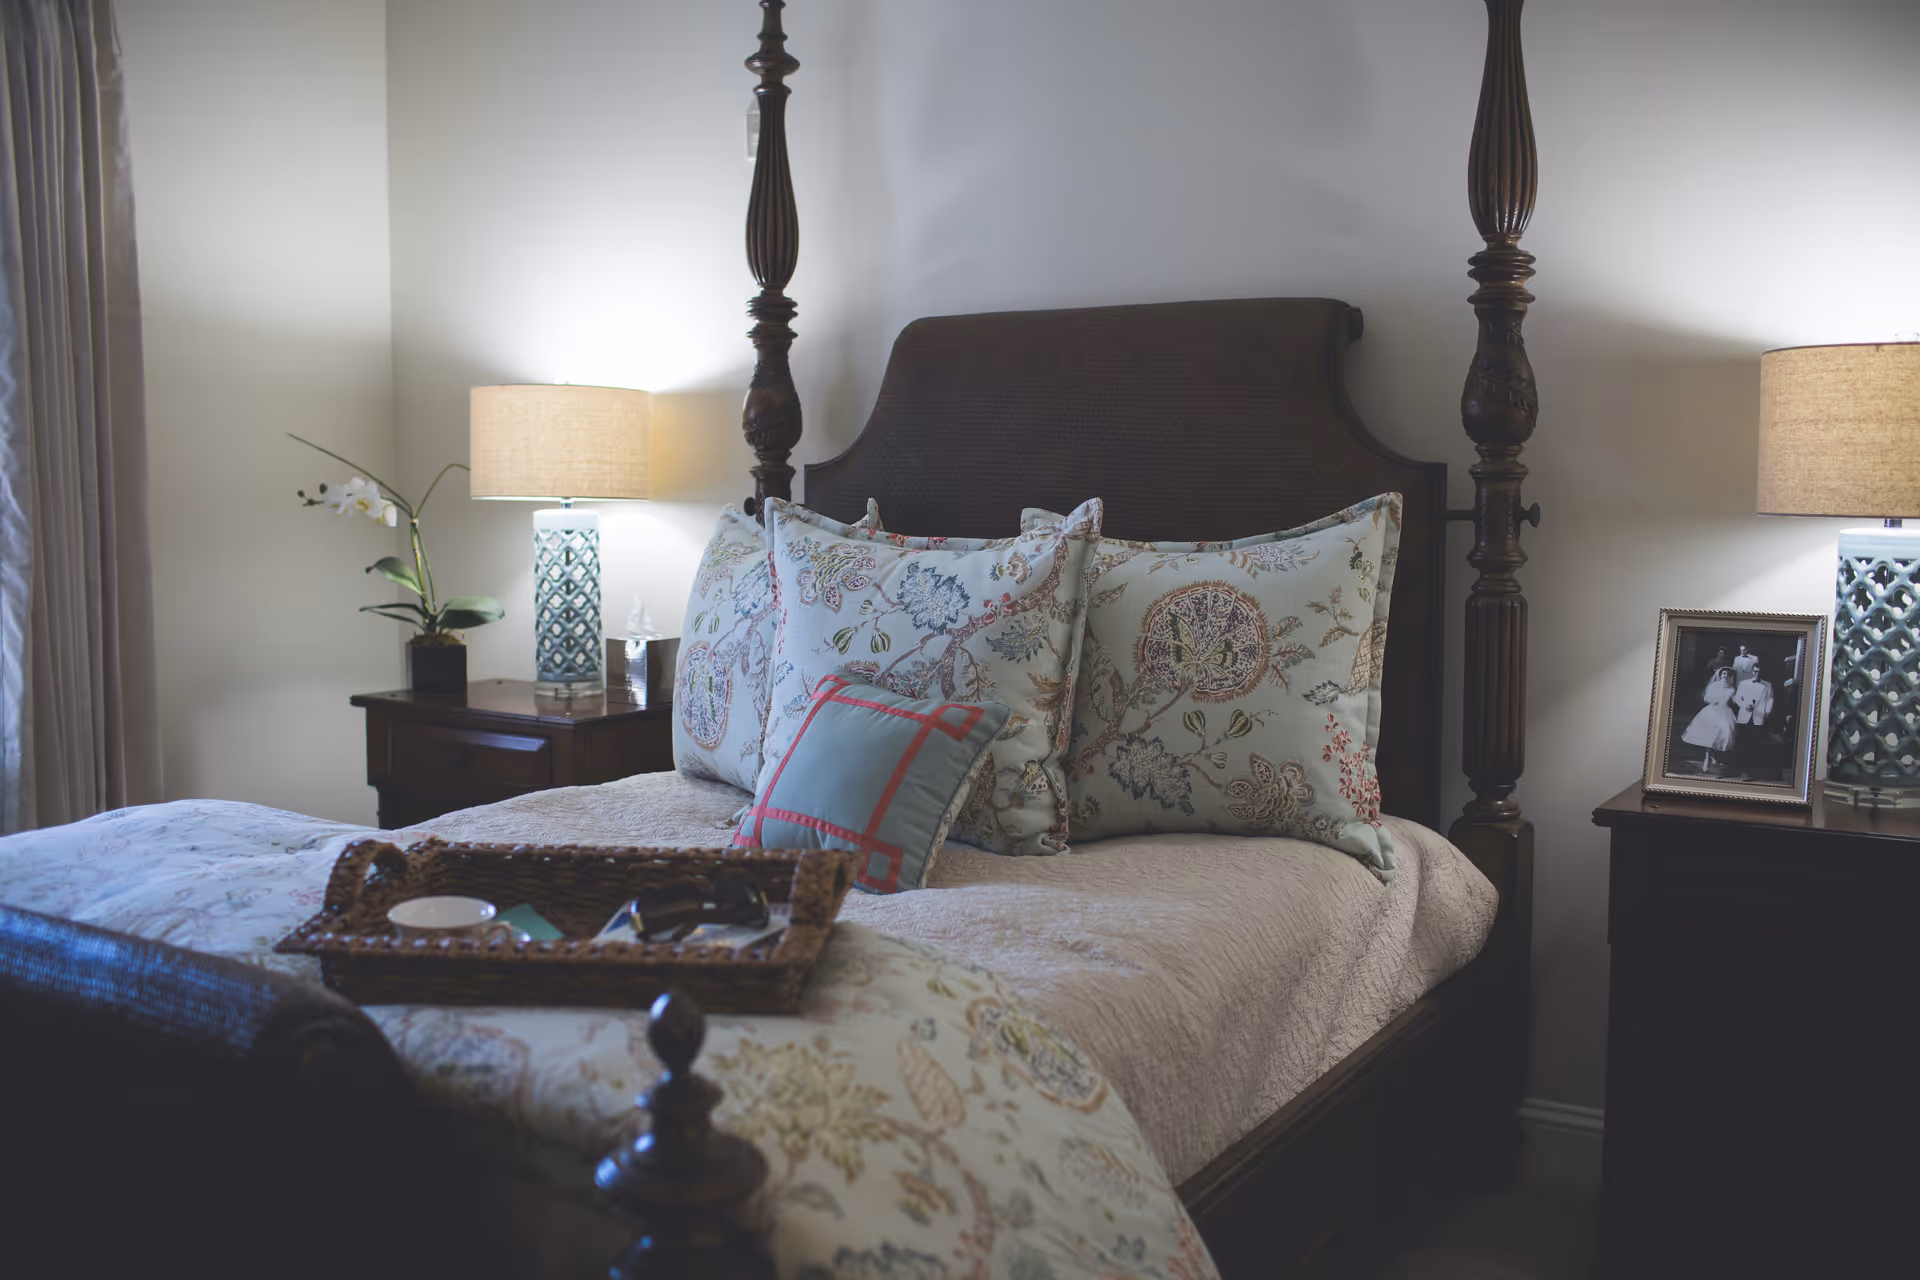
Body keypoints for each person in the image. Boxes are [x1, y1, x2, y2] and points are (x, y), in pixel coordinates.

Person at [1681, 667, 1738, 771]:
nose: (1725, 676)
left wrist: (1743, 700)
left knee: (1723, 734)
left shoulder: (1731, 689)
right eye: (1723, 674)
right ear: (1720, 675)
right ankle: (1707, 759)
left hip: (1724, 712)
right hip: (1712, 711)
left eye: (1727, 675)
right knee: (1710, 735)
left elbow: (1736, 700)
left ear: (1729, 676)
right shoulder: (1714, 686)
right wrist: (1713, 700)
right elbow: (1706, 697)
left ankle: (1714, 755)